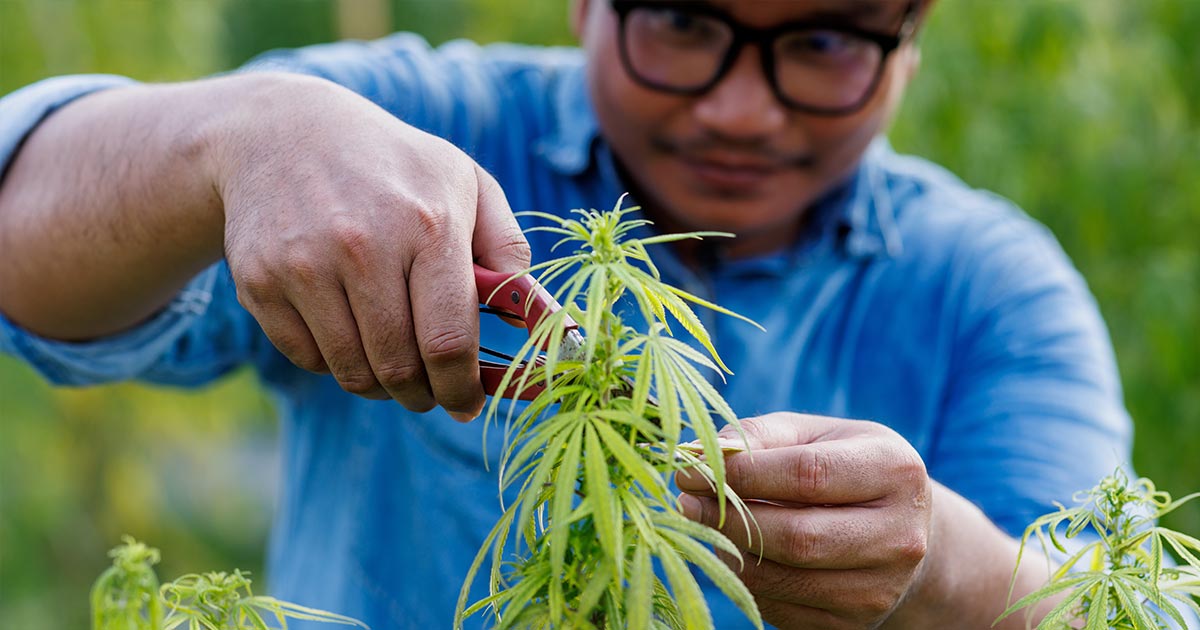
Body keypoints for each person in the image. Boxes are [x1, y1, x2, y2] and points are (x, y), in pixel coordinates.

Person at [0, 0, 1137, 628]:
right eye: (685, 23)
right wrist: (229, 142)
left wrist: (958, 574)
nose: (741, 108)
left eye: (824, 42)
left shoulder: (993, 289)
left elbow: (1124, 604)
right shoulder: (421, 119)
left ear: (911, 38)